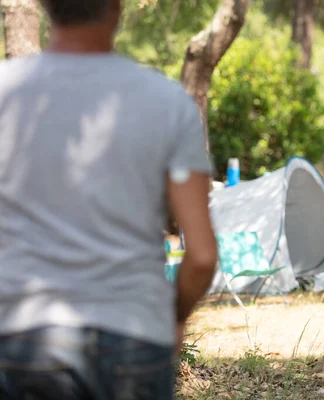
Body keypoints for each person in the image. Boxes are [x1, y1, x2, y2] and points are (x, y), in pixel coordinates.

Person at [0, 0, 217, 398]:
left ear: (47, 8)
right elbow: (202, 256)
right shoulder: (167, 102)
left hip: (21, 335)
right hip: (135, 335)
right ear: (117, 8)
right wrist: (172, 316)